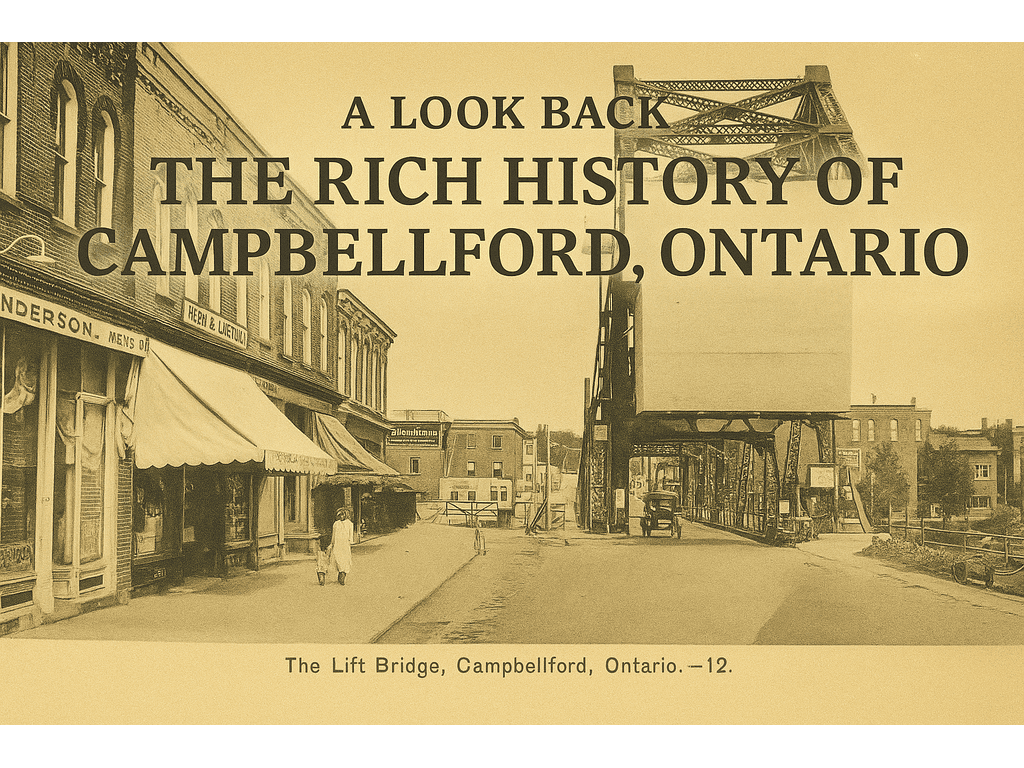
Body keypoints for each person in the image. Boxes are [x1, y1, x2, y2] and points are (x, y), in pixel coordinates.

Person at [331, 508, 354, 585]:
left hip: (345, 545)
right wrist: (332, 543)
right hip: (338, 544)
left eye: (343, 515)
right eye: (340, 515)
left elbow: (350, 536)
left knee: (345, 559)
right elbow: (333, 535)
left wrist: (350, 543)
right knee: (338, 559)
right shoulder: (336, 524)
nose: (341, 517)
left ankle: (343, 575)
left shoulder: (349, 524)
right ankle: (340, 572)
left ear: (346, 515)